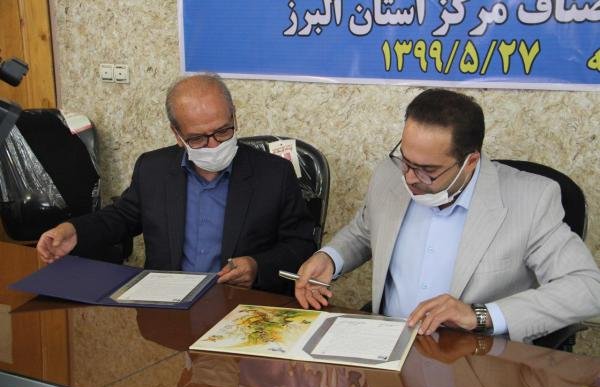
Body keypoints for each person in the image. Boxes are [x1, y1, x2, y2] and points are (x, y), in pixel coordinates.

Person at [295, 88, 600, 342]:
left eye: (427, 170)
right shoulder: (390, 176)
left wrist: (479, 315)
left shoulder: (531, 200)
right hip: (388, 348)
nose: (410, 178)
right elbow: (364, 231)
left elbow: (586, 287)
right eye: (406, 160)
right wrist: (331, 258)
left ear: (470, 162)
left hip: (475, 360)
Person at [37, 74, 315, 295]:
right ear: (177, 135)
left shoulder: (274, 174)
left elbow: (301, 245)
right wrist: (74, 231)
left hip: (238, 306)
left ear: (234, 117)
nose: (213, 145)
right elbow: (121, 218)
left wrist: (257, 267)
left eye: (222, 131)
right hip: (167, 305)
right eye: (198, 138)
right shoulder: (153, 169)